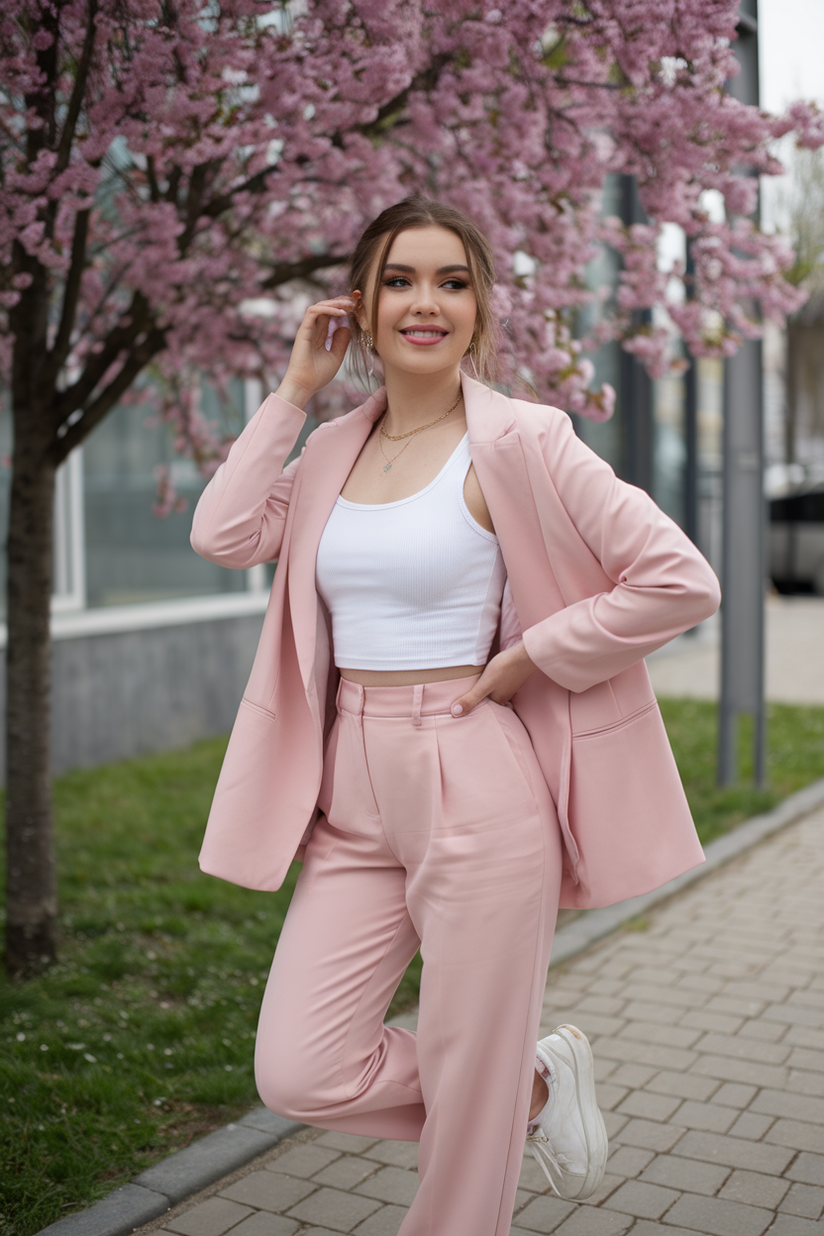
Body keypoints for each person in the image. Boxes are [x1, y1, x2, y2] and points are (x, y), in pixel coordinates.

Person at [190, 195, 720, 1236]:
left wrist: (535, 653)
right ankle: (524, 1087)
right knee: (298, 1067)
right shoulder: (333, 452)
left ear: (479, 308)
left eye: (450, 281)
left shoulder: (522, 440)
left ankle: (488, 1106)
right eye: (398, 280)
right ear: (363, 305)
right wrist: (295, 390)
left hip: (473, 774)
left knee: (463, 1136)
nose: (423, 302)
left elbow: (676, 577)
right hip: (350, 789)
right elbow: (222, 532)